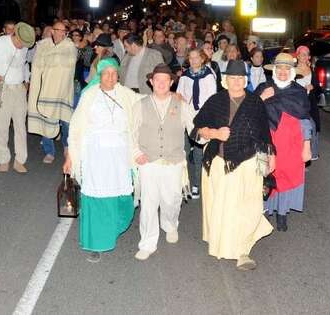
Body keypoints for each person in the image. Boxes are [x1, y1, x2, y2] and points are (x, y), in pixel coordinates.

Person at [192, 60, 275, 270]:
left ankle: (242, 251)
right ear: (225, 80)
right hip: (219, 163)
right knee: (222, 208)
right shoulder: (215, 101)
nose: (236, 82)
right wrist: (214, 133)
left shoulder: (255, 103)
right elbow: (197, 128)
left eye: (240, 78)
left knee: (248, 207)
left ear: (245, 80)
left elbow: (264, 135)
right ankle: (222, 244)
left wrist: (268, 159)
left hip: (247, 162)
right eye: (232, 78)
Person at [64, 59, 143, 263]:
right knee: (96, 198)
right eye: (106, 73)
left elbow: (145, 102)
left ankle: (112, 229)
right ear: (99, 75)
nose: (110, 77)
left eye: (114, 73)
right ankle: (96, 243)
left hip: (119, 156)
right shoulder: (89, 96)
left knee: (123, 197)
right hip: (95, 155)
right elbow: (75, 129)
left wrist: (168, 96)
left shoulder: (125, 94)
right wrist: (70, 156)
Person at [131, 64, 196, 261]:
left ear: (171, 82)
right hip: (148, 161)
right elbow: (131, 132)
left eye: (165, 80)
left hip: (173, 161)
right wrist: (136, 153)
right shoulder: (140, 104)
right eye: (157, 79)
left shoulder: (181, 104)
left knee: (172, 200)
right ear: (151, 82)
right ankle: (147, 243)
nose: (160, 83)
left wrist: (212, 137)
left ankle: (170, 224)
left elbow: (195, 128)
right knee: (149, 203)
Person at [255, 53, 312, 232]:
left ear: (292, 72)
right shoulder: (263, 88)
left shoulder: (299, 92)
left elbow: (305, 120)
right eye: (279, 68)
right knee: (264, 174)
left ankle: (282, 213)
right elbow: (248, 112)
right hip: (266, 139)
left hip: (291, 143)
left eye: (287, 69)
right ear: (274, 70)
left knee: (285, 176)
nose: (282, 72)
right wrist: (262, 98)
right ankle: (262, 211)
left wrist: (307, 145)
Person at [0, 21, 34, 173]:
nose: (22, 46)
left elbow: (24, 65)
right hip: (2, 88)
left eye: (25, 44)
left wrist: (26, 80)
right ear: (14, 35)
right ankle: (3, 159)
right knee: (0, 126)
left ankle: (20, 160)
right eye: (20, 43)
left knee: (21, 126)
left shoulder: (24, 46)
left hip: (19, 89)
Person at [28, 22, 77, 164]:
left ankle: (67, 145)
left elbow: (69, 63)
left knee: (66, 122)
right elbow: (37, 65)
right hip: (45, 90)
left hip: (62, 91)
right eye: (59, 30)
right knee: (45, 119)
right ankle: (49, 151)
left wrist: (50, 59)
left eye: (64, 31)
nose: (62, 33)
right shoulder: (42, 46)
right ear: (52, 31)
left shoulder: (70, 46)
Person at [176, 48, 218, 200]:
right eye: (191, 58)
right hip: (187, 115)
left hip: (203, 115)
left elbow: (213, 98)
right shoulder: (185, 76)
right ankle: (183, 183)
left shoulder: (209, 75)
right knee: (184, 150)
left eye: (196, 58)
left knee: (199, 152)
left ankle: (196, 184)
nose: (194, 60)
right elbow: (179, 95)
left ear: (202, 59)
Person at [295, 46, 323, 161]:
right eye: (302, 54)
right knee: (297, 130)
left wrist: (313, 87)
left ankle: (312, 153)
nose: (304, 56)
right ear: (297, 56)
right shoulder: (292, 71)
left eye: (307, 54)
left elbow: (318, 89)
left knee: (313, 127)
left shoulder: (312, 71)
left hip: (310, 105)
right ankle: (297, 154)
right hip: (296, 105)